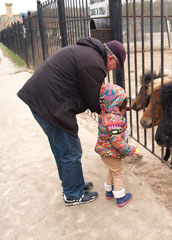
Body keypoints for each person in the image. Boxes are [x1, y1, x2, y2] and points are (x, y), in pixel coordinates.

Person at [17, 37, 126, 206]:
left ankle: (74, 184)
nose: (112, 70)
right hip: (51, 105)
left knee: (62, 148)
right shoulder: (94, 62)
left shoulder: (88, 54)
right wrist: (114, 110)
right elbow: (95, 99)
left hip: (43, 100)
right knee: (70, 150)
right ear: (111, 58)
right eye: (116, 66)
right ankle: (73, 194)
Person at [95, 83, 141, 207]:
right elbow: (116, 141)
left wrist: (124, 109)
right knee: (118, 172)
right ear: (116, 104)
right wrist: (130, 150)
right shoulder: (114, 120)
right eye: (122, 104)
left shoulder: (106, 113)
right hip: (111, 152)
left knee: (112, 170)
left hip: (104, 150)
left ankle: (109, 192)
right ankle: (120, 198)